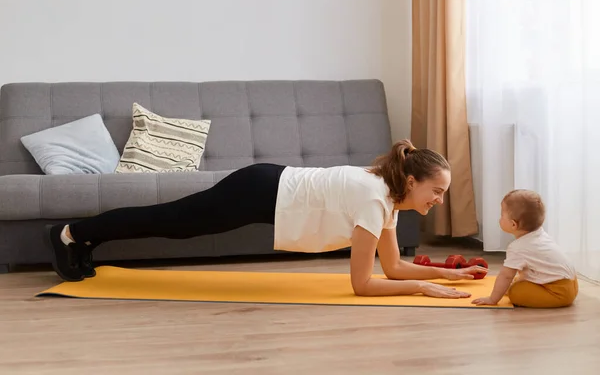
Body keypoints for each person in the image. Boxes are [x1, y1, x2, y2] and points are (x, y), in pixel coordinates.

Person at [45, 139, 487, 298]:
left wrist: (454, 275)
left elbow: (390, 268)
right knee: (173, 222)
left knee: (172, 221)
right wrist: (424, 286)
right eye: (437, 192)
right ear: (411, 181)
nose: (440, 201)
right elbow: (363, 284)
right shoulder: (375, 199)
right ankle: (71, 233)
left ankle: (86, 240)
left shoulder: (387, 197)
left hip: (269, 188)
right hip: (259, 191)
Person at [472, 189, 578, 307]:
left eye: (502, 215)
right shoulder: (540, 234)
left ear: (513, 224)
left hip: (558, 293)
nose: (499, 218)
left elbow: (506, 276)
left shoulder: (518, 248)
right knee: (519, 279)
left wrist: (492, 299)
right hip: (572, 284)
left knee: (515, 291)